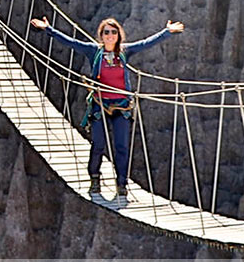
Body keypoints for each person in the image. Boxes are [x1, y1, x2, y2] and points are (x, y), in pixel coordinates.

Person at [29, 15, 184, 199]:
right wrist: (48, 29)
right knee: (98, 145)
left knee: (122, 146)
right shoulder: (93, 51)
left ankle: (121, 183)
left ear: (119, 35)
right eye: (106, 32)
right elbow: (71, 42)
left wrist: (166, 32)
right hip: (100, 104)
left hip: (122, 107)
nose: (110, 35)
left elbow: (145, 43)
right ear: (101, 35)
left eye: (113, 32)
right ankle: (95, 177)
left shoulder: (124, 51)